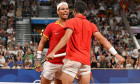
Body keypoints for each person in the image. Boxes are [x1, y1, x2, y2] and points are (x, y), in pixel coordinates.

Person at [46, 1, 125, 84]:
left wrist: (53, 52)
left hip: (73, 60)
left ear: (74, 11)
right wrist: (116, 55)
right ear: (84, 12)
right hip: (85, 63)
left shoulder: (71, 22)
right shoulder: (91, 25)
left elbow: (66, 38)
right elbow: (103, 39)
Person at [35, 2, 69, 84]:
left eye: (67, 9)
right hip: (51, 62)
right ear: (58, 11)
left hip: (65, 63)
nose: (65, 11)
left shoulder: (72, 25)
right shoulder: (51, 26)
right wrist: (38, 60)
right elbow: (42, 43)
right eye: (63, 9)